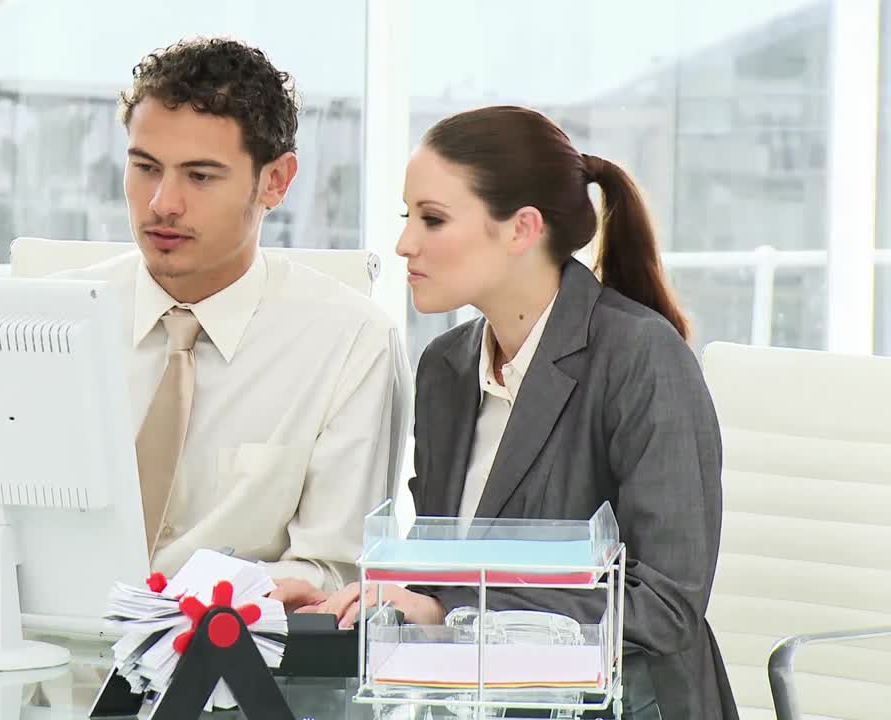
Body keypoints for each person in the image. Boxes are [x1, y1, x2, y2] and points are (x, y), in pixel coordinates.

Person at [304, 106, 738, 719]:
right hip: (478, 700)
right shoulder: (446, 368)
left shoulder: (642, 358)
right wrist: (371, 598)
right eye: (409, 218)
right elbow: (445, 573)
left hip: (621, 703)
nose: (404, 244)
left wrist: (456, 619)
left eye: (433, 219)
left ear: (521, 228)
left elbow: (664, 608)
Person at [50, 38, 411, 603]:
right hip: (47, 665)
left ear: (276, 181)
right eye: (145, 167)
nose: (162, 204)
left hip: (235, 673)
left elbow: (338, 571)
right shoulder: (52, 325)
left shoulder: (351, 342)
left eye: (200, 176)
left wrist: (197, 602)